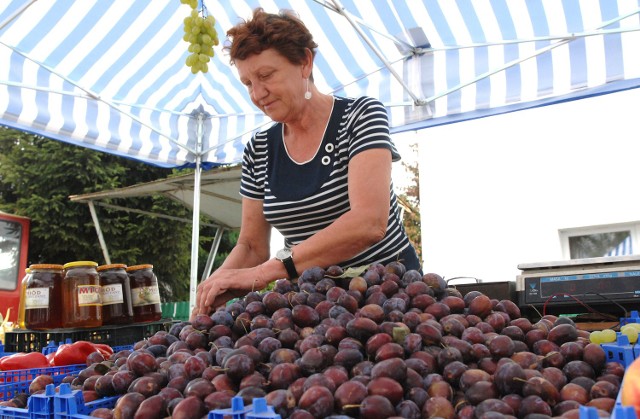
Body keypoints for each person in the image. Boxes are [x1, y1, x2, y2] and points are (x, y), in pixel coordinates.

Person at [194, 7, 420, 316]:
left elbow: (369, 222)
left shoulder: (361, 117)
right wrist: (216, 284)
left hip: (391, 297)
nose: (258, 93)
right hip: (314, 308)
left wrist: (267, 272)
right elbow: (250, 246)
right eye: (247, 83)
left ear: (304, 63)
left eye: (266, 76)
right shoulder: (258, 149)